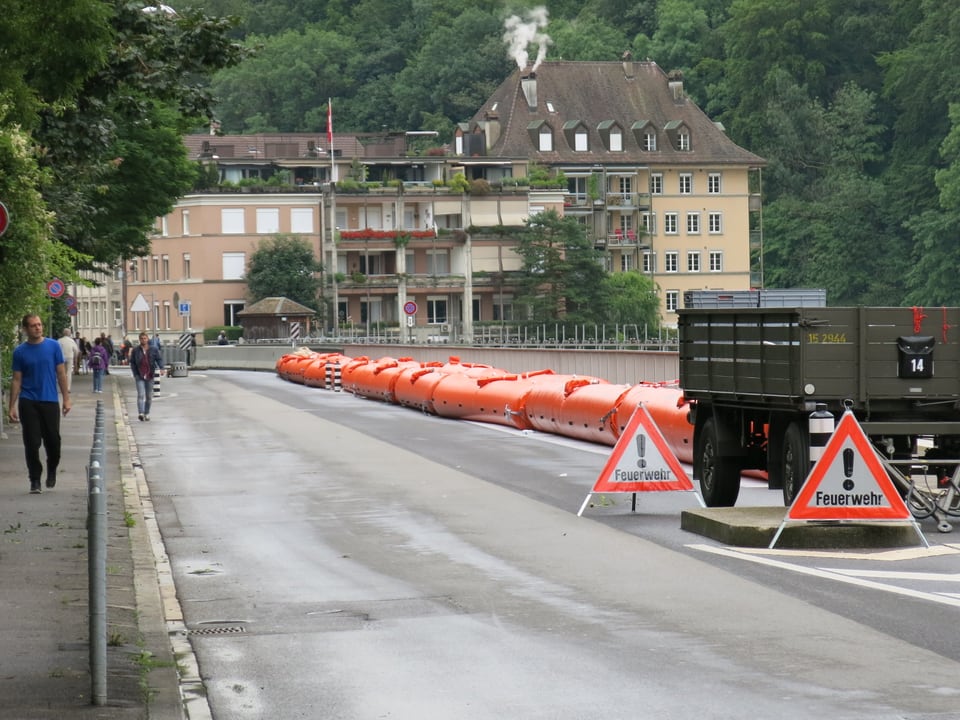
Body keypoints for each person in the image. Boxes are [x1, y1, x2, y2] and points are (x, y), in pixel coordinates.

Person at [8, 314, 72, 493]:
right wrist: (11, 406)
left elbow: (61, 373)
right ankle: (34, 479)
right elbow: (16, 380)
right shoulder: (20, 352)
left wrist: (66, 398)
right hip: (28, 401)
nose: (38, 328)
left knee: (53, 441)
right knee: (32, 442)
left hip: (50, 400)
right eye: (33, 325)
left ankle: (51, 468)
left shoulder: (53, 346)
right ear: (26, 329)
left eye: (39, 324)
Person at [130, 331, 164, 421]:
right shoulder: (136, 350)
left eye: (145, 338)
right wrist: (135, 373)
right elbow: (132, 363)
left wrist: (162, 368)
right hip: (139, 375)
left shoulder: (153, 349)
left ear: (147, 339)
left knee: (149, 396)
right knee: (140, 394)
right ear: (139, 340)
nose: (143, 340)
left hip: (150, 375)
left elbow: (159, 359)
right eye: (141, 338)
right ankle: (141, 413)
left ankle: (146, 413)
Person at [57, 327, 79, 393]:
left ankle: (62, 387)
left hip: (61, 358)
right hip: (70, 357)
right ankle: (68, 388)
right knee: (69, 373)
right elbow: (76, 350)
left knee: (61, 373)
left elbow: (56, 350)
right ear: (69, 334)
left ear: (63, 333)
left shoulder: (59, 340)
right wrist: (75, 357)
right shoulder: (71, 340)